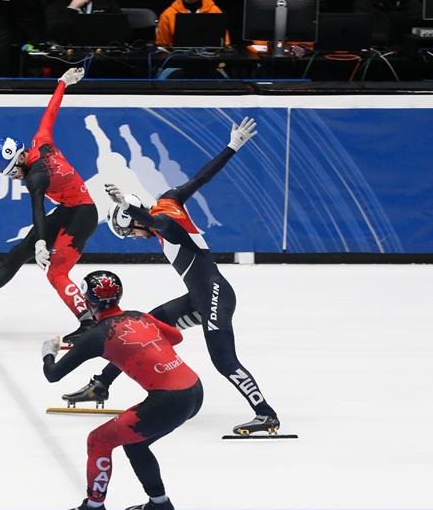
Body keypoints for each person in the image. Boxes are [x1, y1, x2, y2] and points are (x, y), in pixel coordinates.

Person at [65, 117, 282, 436]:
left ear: (138, 222)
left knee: (224, 361)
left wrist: (130, 207)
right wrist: (232, 146)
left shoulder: (165, 225)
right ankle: (101, 384)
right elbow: (201, 178)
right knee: (138, 329)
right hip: (199, 297)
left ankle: (266, 414)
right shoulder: (168, 199)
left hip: (214, 296)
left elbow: (163, 227)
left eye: (131, 232)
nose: (136, 238)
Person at [0, 67, 99, 344]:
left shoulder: (36, 177)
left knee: (57, 272)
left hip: (83, 214)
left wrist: (41, 244)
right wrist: (62, 83)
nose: (14, 178)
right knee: (18, 251)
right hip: (68, 209)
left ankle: (88, 322)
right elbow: (50, 113)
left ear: (21, 160)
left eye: (13, 172)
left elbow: (37, 209)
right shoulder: (41, 142)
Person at [42, 270, 202, 510]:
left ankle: (93, 509)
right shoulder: (139, 316)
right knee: (135, 444)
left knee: (99, 440)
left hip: (169, 401)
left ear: (86, 301)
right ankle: (159, 503)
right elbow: (177, 337)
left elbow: (53, 374)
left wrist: (48, 353)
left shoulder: (96, 335)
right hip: (194, 390)